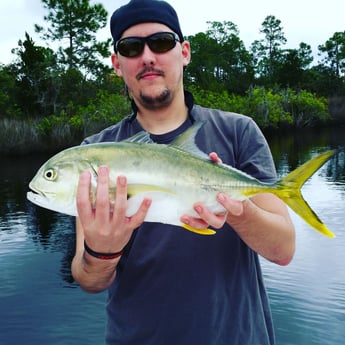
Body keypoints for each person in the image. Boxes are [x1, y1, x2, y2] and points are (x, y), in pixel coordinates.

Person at [71, 0, 296, 344]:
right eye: (131, 48)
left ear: (184, 52)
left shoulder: (238, 132)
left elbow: (283, 249)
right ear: (117, 64)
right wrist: (103, 251)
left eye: (161, 42)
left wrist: (236, 209)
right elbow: (89, 280)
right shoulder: (95, 153)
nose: (147, 57)